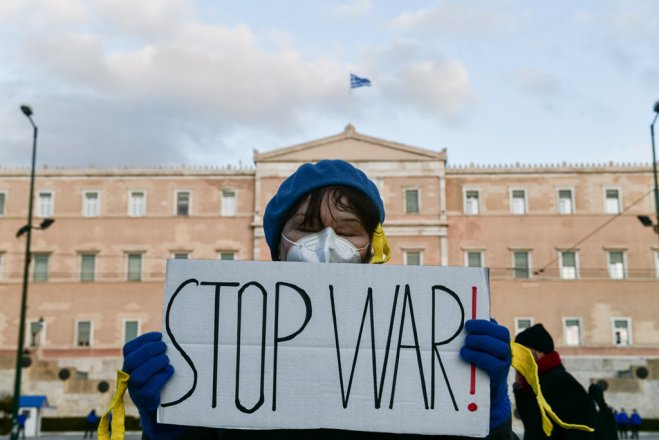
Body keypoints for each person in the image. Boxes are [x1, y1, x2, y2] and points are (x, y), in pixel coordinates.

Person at [121, 160, 515, 439]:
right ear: (278, 245)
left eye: (348, 230)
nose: (328, 244)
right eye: (308, 227)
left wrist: (489, 413)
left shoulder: (421, 352)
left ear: (373, 247)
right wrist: (167, 425)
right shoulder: (227, 357)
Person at [513, 323, 597, 440]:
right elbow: (531, 424)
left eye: (523, 352)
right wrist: (519, 384)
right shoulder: (533, 382)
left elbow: (580, 428)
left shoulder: (558, 381)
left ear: (539, 353)